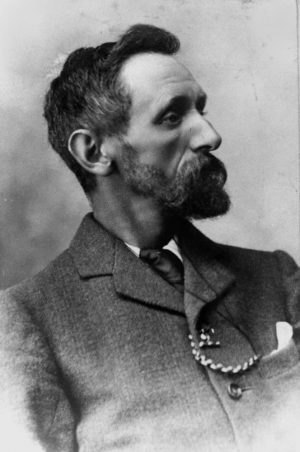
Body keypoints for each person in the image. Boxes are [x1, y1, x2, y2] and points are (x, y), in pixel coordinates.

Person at [0, 24, 299, 452]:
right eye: (172, 117)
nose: (211, 136)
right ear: (94, 152)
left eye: (201, 110)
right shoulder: (26, 321)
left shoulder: (277, 277)